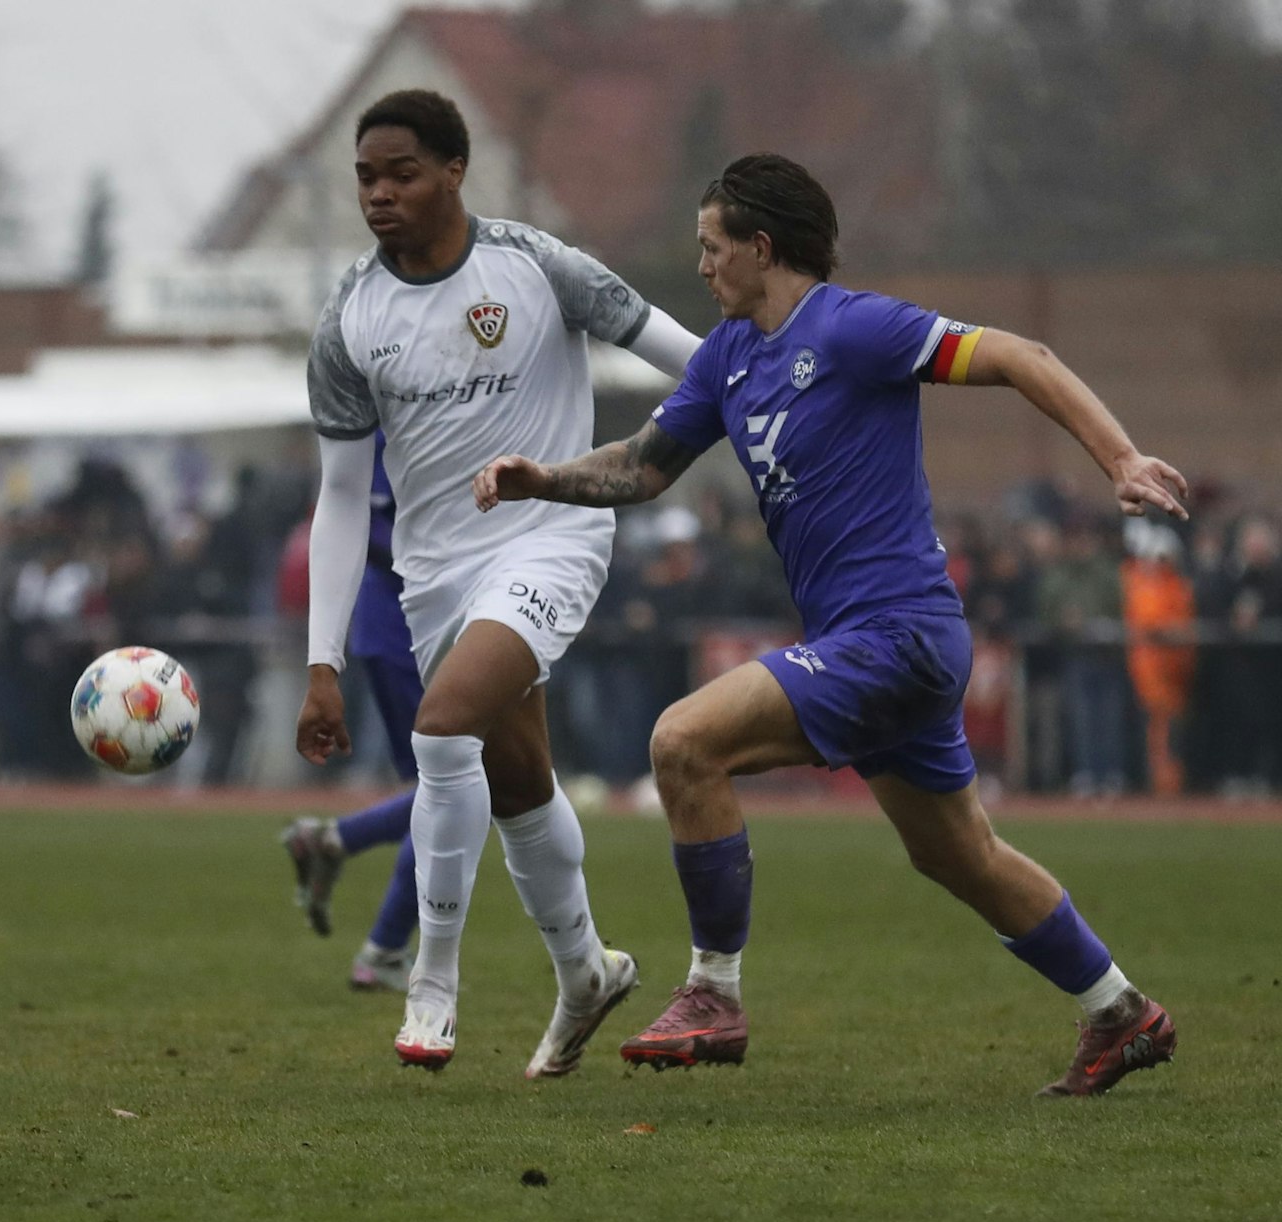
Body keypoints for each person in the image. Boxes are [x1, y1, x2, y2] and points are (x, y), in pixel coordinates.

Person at [474, 152, 1186, 1096]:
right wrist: (546, 477)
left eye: (712, 247)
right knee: (954, 852)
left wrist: (1122, 458)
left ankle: (713, 993)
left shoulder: (856, 329)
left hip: (896, 633)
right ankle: (1122, 1014)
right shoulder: (729, 357)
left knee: (684, 744)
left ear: (761, 248)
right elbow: (646, 467)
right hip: (885, 646)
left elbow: (1024, 357)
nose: (701, 267)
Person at [296, 89, 700, 1075]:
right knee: (519, 781)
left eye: (400, 173)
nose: (379, 194)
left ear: (452, 172)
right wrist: (321, 660)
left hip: (550, 536)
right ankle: (586, 971)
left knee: (442, 727)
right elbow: (343, 498)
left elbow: (692, 361)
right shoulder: (349, 317)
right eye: (364, 177)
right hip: (433, 575)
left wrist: (726, 430)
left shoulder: (536, 266)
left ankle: (429, 981)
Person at [280, 433, 424, 992]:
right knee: (458, 787)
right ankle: (384, 947)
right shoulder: (400, 404)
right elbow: (369, 526)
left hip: (409, 624)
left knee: (465, 787)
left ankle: (334, 841)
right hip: (403, 627)